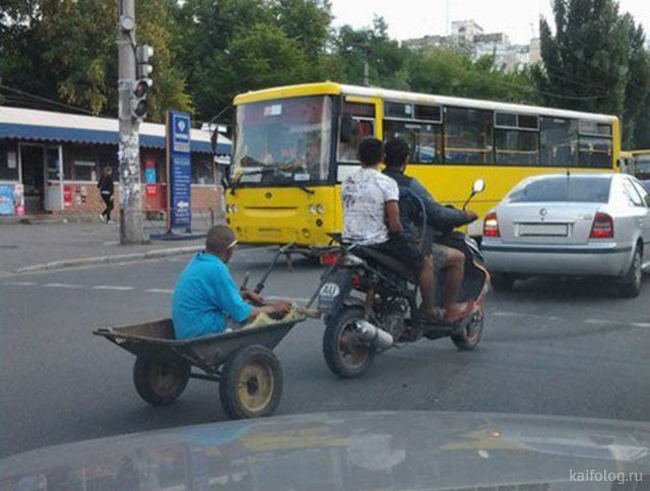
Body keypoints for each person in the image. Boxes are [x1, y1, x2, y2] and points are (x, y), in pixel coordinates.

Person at [383, 137, 477, 323]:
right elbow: (436, 214)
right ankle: (444, 308)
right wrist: (465, 216)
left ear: (384, 158)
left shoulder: (377, 180)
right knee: (457, 258)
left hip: (376, 242)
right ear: (406, 160)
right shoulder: (408, 185)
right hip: (400, 243)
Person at [340, 137, 437, 318]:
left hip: (348, 242)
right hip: (377, 244)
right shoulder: (386, 182)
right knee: (424, 263)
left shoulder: (347, 181)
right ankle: (429, 309)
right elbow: (394, 225)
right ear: (382, 157)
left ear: (359, 157)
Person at [171, 226, 292, 339]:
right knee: (258, 321)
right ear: (229, 250)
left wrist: (243, 295)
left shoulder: (198, 260)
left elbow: (215, 297)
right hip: (201, 329)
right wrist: (273, 308)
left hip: (185, 328)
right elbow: (240, 312)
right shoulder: (216, 268)